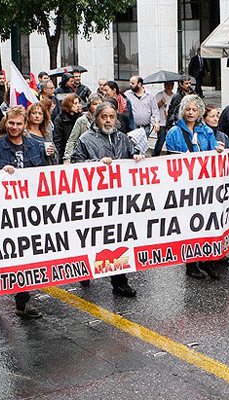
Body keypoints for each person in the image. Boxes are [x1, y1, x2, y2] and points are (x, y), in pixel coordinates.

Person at [0, 106, 46, 318]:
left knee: (24, 255)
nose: (14, 127)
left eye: (18, 124)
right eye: (11, 123)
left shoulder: (35, 146)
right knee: (2, 254)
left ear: (25, 125)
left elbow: (42, 177)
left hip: (27, 211)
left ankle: (22, 302)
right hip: (1, 211)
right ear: (5, 122)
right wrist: (1, 175)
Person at [70, 102, 144, 294]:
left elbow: (131, 156)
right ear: (97, 118)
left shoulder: (122, 138)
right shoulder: (86, 139)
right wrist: (97, 164)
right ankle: (85, 270)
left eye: (112, 117)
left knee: (117, 240)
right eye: (104, 117)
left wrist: (136, 157)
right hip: (94, 200)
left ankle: (119, 281)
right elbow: (76, 164)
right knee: (92, 239)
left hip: (118, 200)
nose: (108, 121)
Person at [165, 95, 226, 278]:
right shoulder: (174, 132)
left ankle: (207, 261)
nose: (190, 113)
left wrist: (219, 151)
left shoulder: (206, 130)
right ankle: (191, 264)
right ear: (182, 110)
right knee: (189, 226)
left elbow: (213, 150)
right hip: (185, 186)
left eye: (194, 109)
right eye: (187, 109)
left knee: (206, 224)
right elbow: (170, 160)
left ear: (199, 112)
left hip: (204, 185)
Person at [64, 93, 104, 163]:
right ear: (89, 107)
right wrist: (67, 159)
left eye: (100, 104)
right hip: (85, 158)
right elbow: (72, 141)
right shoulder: (82, 120)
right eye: (95, 104)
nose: (98, 107)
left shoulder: (106, 120)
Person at [53, 94, 81, 164]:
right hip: (65, 152)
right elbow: (58, 140)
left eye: (78, 103)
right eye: (75, 103)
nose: (78, 105)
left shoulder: (80, 118)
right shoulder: (60, 119)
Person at [153, 81, 174, 156]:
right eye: (167, 85)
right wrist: (161, 103)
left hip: (171, 123)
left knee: (171, 141)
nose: (169, 87)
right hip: (162, 122)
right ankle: (155, 155)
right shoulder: (160, 95)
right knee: (160, 141)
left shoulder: (174, 96)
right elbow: (154, 108)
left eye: (171, 85)